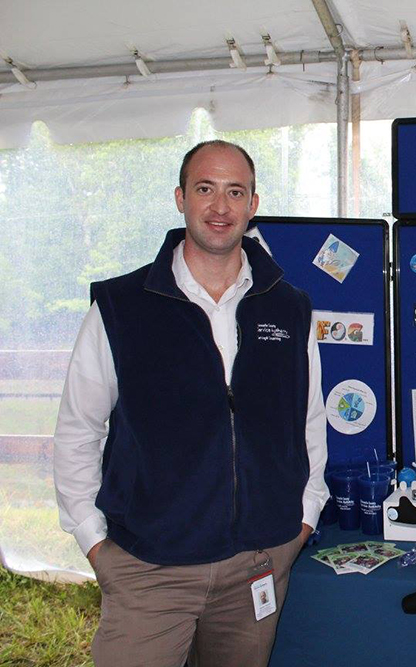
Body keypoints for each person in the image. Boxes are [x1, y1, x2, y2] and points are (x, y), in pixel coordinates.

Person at [53, 140, 329, 666]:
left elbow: (309, 420)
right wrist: (93, 541)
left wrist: (304, 519)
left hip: (257, 564)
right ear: (180, 198)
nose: (220, 206)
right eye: (205, 189)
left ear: (253, 204)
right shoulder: (121, 306)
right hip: (147, 569)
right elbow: (78, 430)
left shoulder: (289, 307)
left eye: (235, 192)